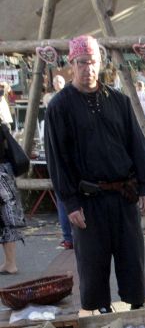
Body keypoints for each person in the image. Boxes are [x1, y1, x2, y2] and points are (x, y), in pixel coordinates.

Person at [45, 34, 145, 313]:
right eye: (82, 62)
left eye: (93, 62)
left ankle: (138, 305)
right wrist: (70, 202)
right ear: (72, 64)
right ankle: (101, 312)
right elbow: (57, 159)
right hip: (88, 198)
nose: (88, 68)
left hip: (124, 193)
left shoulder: (119, 101)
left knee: (132, 255)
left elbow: (137, 144)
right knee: (93, 261)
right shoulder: (59, 107)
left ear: (101, 63)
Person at [41, 75, 73, 249]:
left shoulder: (57, 106)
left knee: (65, 200)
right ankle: (69, 236)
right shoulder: (55, 106)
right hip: (64, 168)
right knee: (64, 199)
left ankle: (70, 237)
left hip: (68, 168)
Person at [0, 119, 25, 274]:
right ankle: (10, 263)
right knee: (7, 220)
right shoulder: (2, 127)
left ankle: (10, 263)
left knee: (5, 220)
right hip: (6, 174)